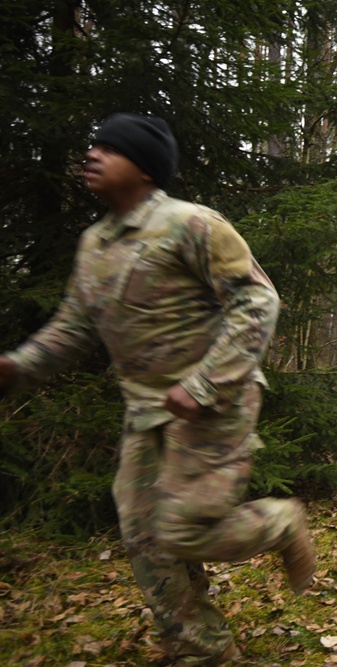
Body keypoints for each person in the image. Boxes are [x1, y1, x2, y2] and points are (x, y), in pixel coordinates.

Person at [0, 113, 315, 665]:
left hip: (216, 402)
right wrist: (17, 366)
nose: (92, 154)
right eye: (91, 145)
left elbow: (257, 302)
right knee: (145, 534)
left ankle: (281, 521)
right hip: (145, 411)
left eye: (109, 148)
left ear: (144, 168)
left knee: (184, 529)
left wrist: (203, 382)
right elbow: (74, 327)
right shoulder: (95, 243)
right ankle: (200, 646)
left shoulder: (191, 224)